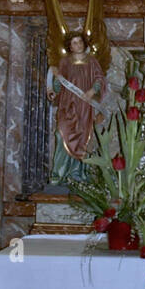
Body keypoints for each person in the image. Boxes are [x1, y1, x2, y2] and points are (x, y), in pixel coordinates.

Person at [46, 31, 106, 183]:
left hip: (84, 106)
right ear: (70, 47)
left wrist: (92, 90)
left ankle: (79, 175)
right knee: (61, 136)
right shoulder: (65, 62)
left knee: (83, 138)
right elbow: (59, 82)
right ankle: (59, 174)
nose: (78, 45)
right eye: (74, 42)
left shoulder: (92, 61)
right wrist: (54, 88)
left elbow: (99, 79)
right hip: (67, 105)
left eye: (80, 41)